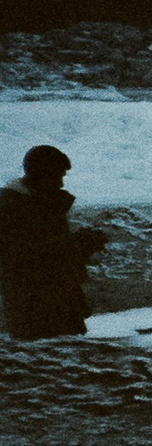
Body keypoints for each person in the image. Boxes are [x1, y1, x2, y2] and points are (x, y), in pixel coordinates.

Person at [0, 145, 104, 339]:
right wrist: (79, 244)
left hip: (57, 308)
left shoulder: (40, 203)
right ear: (39, 176)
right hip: (37, 313)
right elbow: (29, 260)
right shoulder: (13, 209)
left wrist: (82, 244)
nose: (61, 184)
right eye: (57, 176)